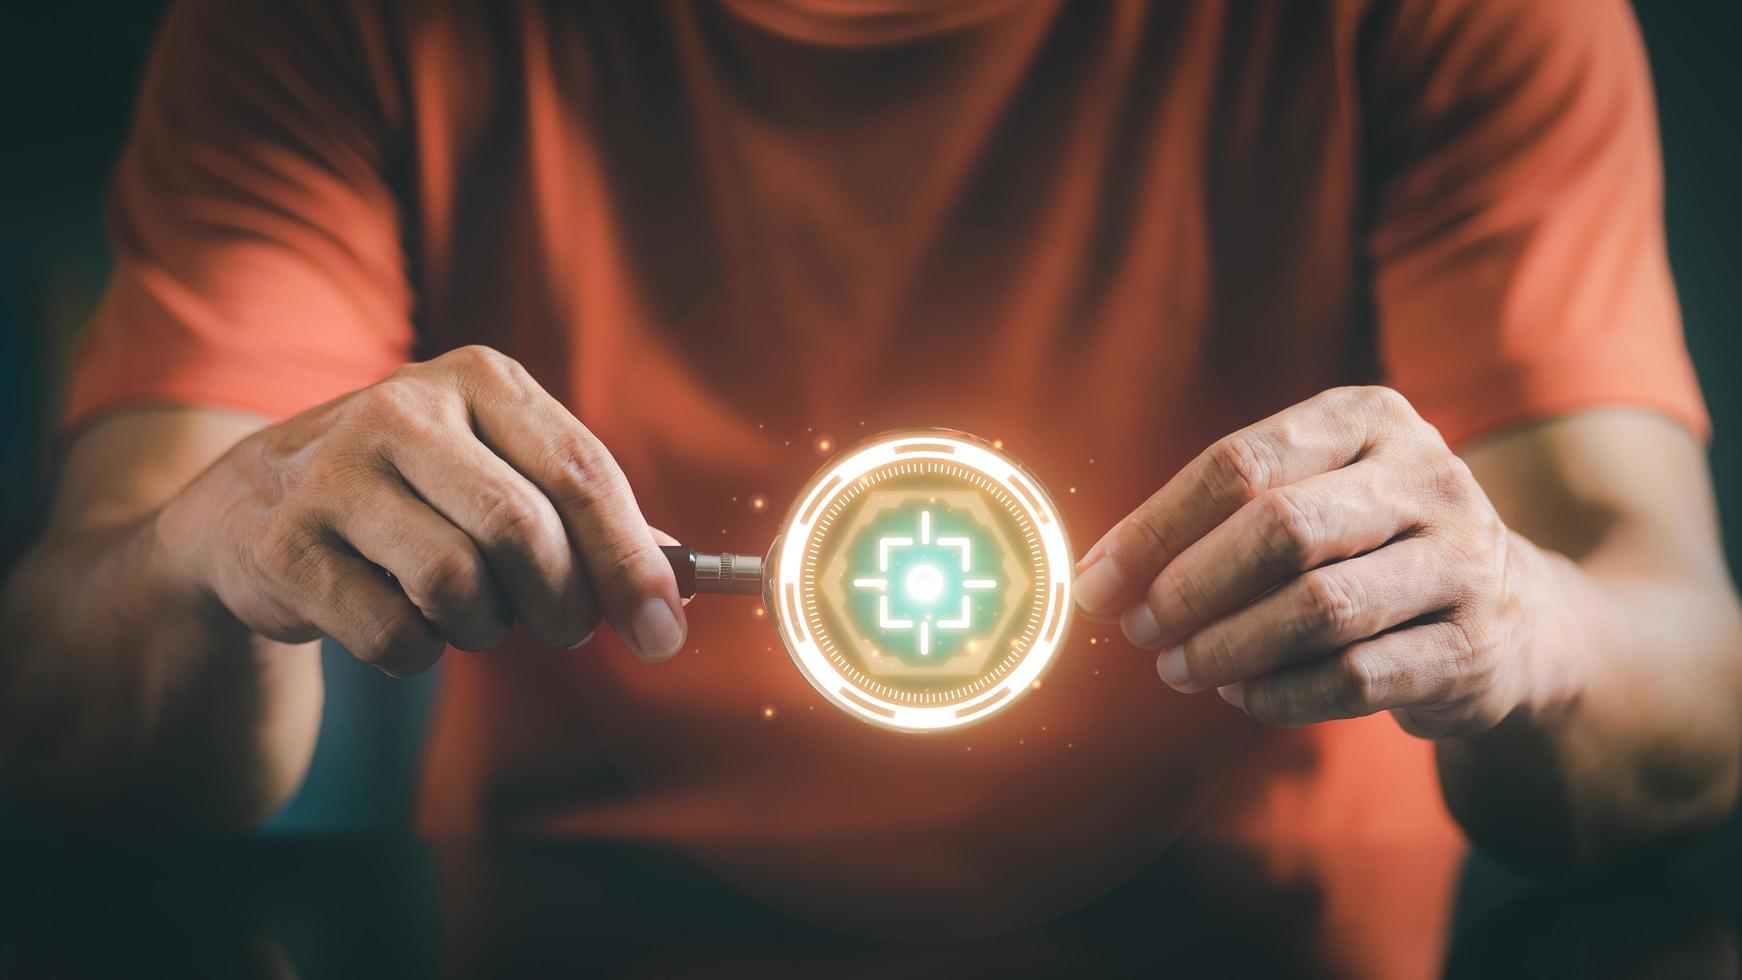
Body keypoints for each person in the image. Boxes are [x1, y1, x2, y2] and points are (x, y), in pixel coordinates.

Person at [3, 0, 1739, 952]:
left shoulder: (1463, 15)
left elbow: (1685, 692)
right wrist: (199, 547)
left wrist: (1523, 626)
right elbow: (81, 734)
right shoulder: (323, 24)